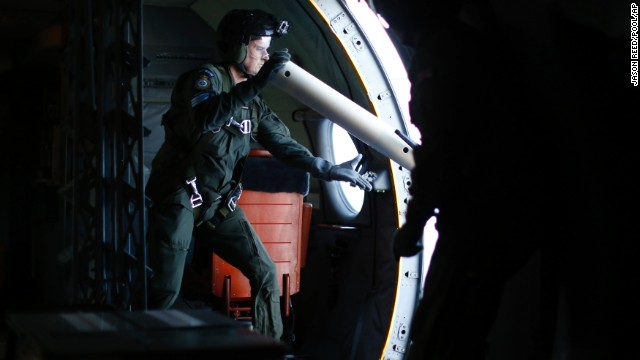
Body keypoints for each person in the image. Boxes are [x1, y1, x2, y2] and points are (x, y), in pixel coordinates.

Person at [388, 0, 634, 358]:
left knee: (443, 338)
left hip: (482, 220)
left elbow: (442, 150)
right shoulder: (470, 43)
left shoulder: (440, 54)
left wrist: (412, 228)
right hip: (506, 214)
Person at [145, 8, 373, 340]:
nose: (266, 55)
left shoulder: (254, 104)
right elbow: (206, 118)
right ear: (238, 47)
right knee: (166, 291)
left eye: (268, 49)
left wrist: (330, 169)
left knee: (266, 273)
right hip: (180, 196)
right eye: (259, 47)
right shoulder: (204, 80)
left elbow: (282, 144)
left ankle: (269, 347)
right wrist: (258, 84)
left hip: (217, 204)